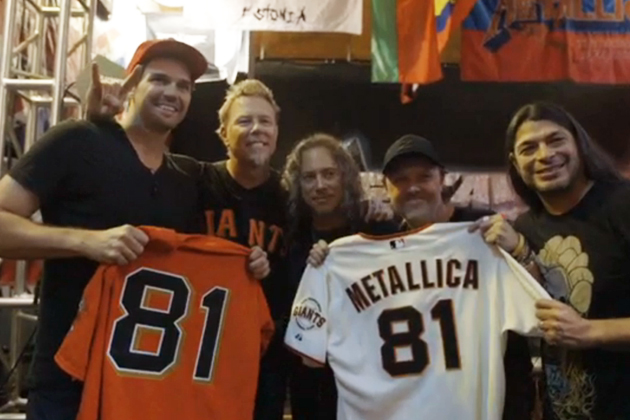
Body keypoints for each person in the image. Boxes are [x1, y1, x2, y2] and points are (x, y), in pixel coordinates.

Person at [0, 39, 266, 420]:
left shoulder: (188, 178)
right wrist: (86, 242)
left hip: (147, 389)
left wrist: (250, 262)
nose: (173, 92)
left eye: (184, 86)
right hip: (67, 383)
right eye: (160, 80)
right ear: (132, 84)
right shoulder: (77, 140)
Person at [309, 134, 536, 420]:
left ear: (443, 180)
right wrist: (324, 257)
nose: (412, 187)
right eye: (401, 180)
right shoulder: (379, 243)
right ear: (386, 187)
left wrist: (518, 248)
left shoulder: (482, 230)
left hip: (491, 404)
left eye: (424, 177)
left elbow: (539, 305)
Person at [472, 102, 630, 420]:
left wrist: (591, 332)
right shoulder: (527, 228)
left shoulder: (621, 205)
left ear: (578, 144)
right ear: (516, 163)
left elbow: (579, 323)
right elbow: (546, 299)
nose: (545, 155)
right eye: (529, 148)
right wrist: (519, 251)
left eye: (555, 140)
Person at [281, 133, 396, 420]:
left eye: (329, 174)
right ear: (298, 184)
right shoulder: (290, 237)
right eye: (309, 177)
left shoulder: (376, 228)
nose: (320, 185)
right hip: (311, 389)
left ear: (344, 176)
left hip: (371, 387)